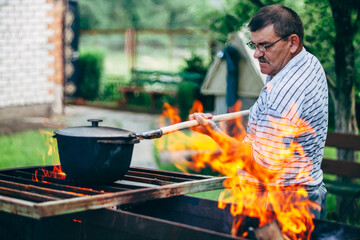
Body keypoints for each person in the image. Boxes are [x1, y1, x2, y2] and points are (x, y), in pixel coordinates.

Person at [190, 5, 328, 219]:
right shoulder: (307, 62)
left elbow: (260, 168)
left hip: (281, 207)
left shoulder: (283, 94)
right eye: (254, 45)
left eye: (265, 46)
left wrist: (212, 133)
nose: (256, 54)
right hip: (305, 197)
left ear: (292, 42)